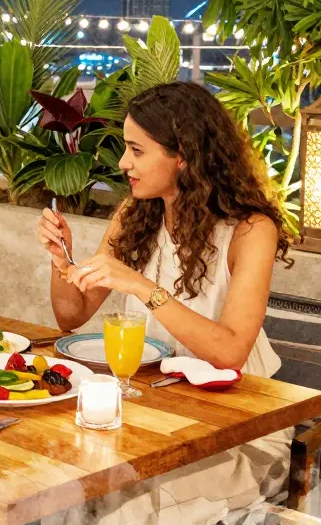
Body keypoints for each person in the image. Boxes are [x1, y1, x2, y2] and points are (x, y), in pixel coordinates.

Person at [35, 81, 294, 524]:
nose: (123, 163)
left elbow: (230, 351)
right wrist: (62, 261)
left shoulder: (251, 230)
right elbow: (71, 315)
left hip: (235, 428)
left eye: (136, 150)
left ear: (184, 156)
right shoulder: (136, 213)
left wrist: (141, 286)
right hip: (154, 414)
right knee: (52, 483)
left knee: (121, 506)